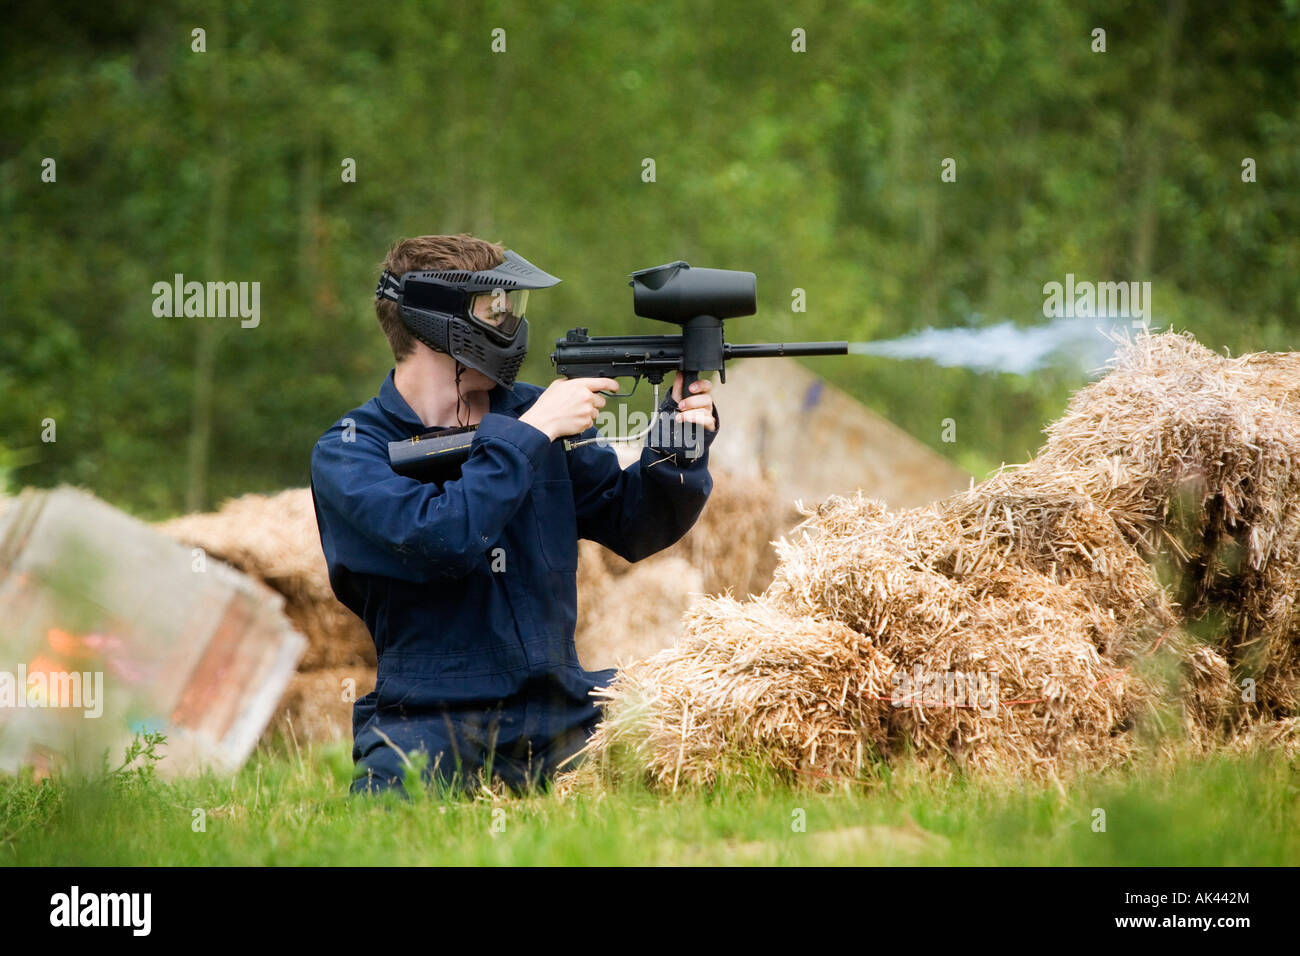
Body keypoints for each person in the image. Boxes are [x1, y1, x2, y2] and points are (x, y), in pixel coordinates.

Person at [309, 234, 718, 795]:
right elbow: (441, 537)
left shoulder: (530, 411)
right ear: (438, 324)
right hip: (430, 718)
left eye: (513, 309)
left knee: (699, 751)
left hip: (560, 710)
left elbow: (633, 522)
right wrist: (529, 436)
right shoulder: (351, 450)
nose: (512, 326)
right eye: (495, 311)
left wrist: (678, 448)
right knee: (396, 814)